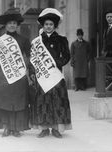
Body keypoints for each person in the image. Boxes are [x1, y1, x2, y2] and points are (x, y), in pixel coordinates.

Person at [0, 8, 30, 137]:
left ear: (17, 25)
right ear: (5, 25)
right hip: (3, 76)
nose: (12, 25)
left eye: (14, 23)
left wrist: (25, 67)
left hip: (18, 75)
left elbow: (30, 56)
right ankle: (6, 127)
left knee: (17, 102)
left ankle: (15, 128)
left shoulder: (23, 40)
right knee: (3, 101)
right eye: (10, 23)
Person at [29, 8, 72, 138]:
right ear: (43, 25)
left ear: (55, 26)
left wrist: (57, 63)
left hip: (56, 75)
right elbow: (32, 59)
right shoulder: (37, 42)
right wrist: (32, 72)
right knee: (43, 101)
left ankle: (56, 128)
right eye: (46, 24)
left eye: (51, 24)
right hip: (42, 76)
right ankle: (44, 128)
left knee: (58, 101)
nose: (48, 26)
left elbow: (67, 56)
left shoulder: (61, 40)